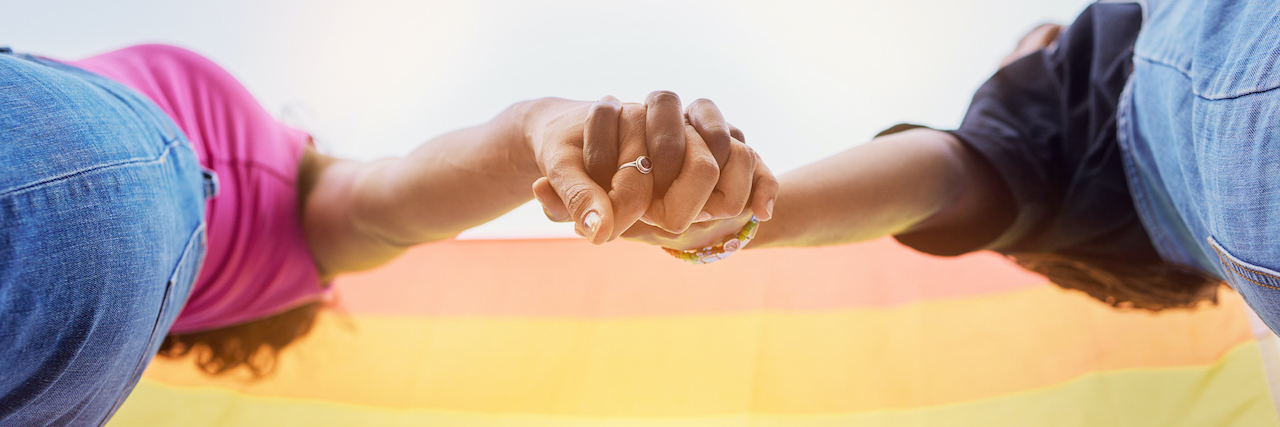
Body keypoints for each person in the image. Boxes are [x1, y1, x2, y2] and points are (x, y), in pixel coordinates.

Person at [0, 44, 775, 424]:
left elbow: (386, 198)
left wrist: (529, 132)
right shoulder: (232, 275)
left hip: (123, 184)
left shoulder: (289, 224)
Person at [619, 0, 1280, 323]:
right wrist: (744, 212)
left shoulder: (1099, 218)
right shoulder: (1030, 112)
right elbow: (939, 172)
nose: (1047, 36)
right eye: (1031, 43)